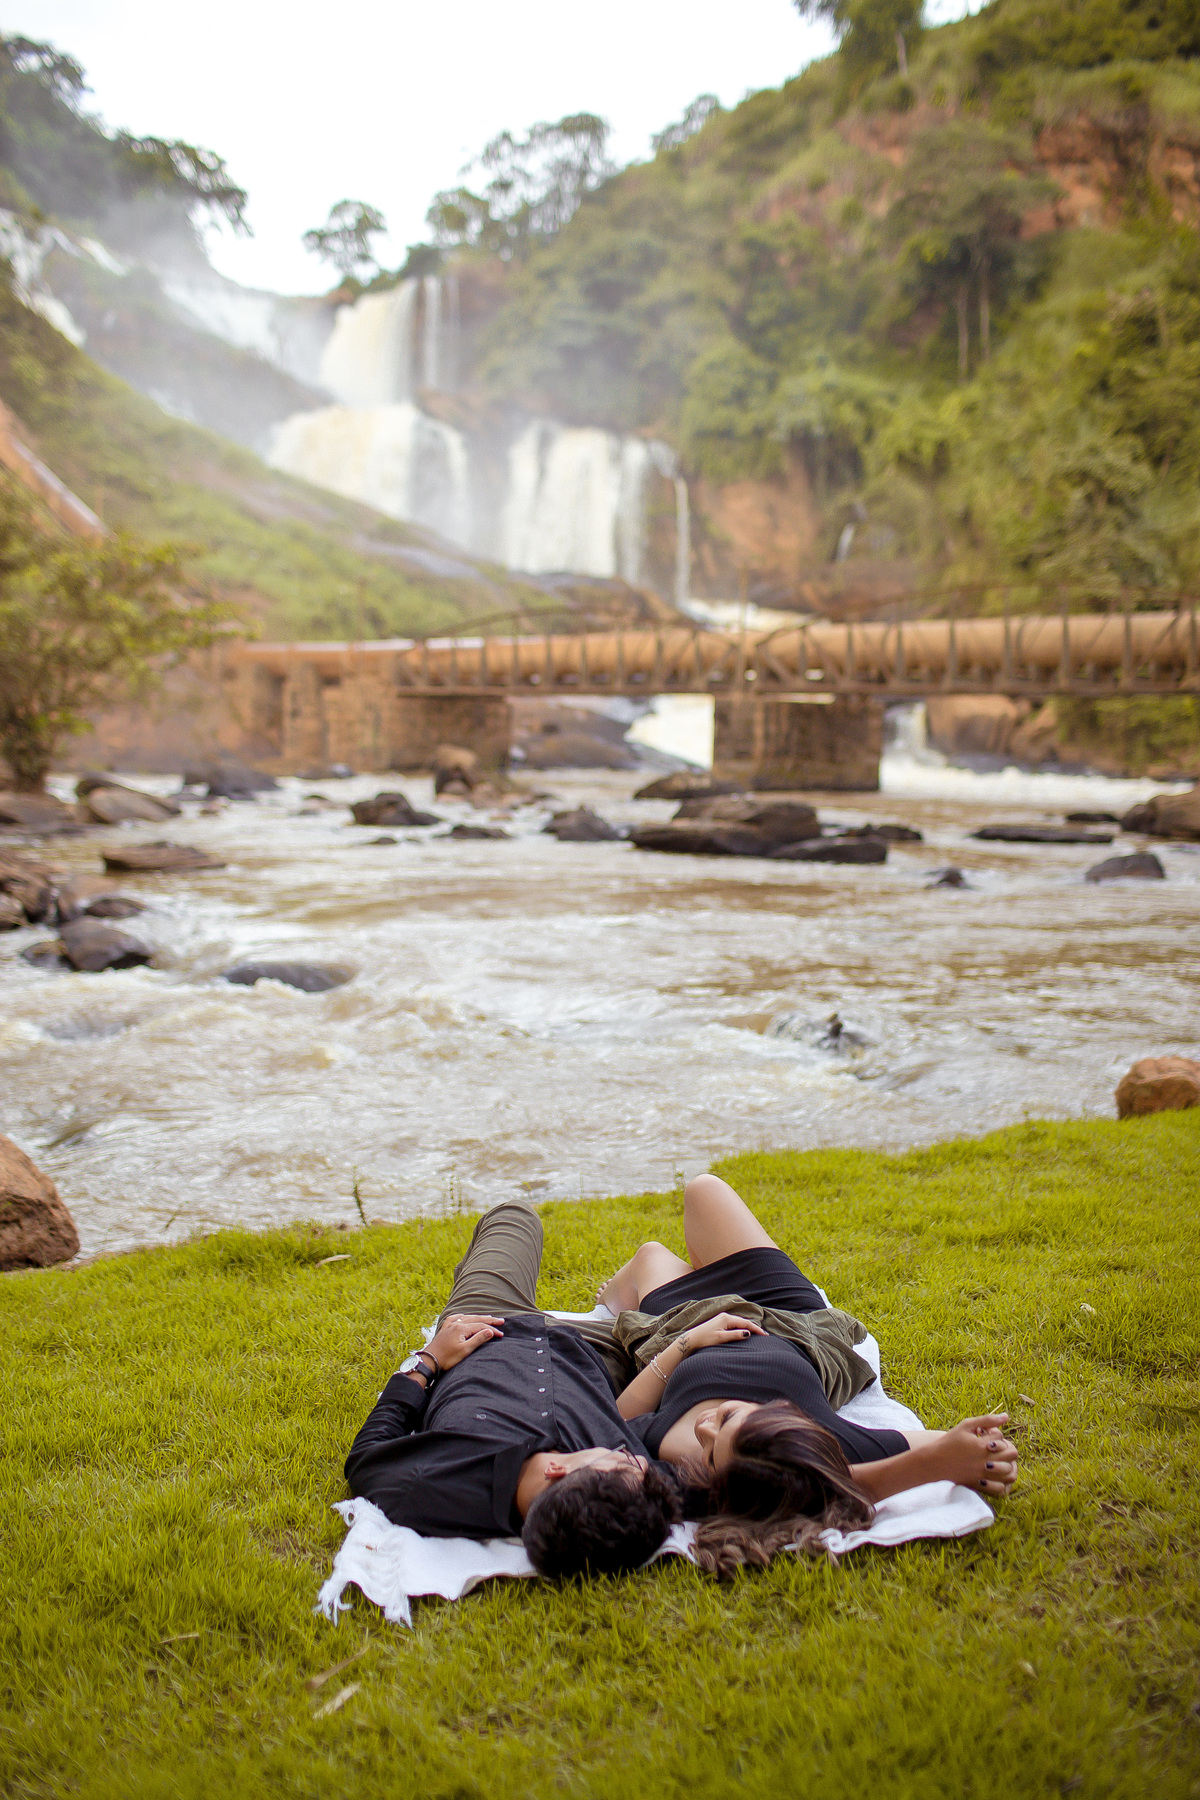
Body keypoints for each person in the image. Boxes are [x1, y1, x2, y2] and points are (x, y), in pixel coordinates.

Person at [596, 1173, 1019, 1574]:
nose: (705, 1429)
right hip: (793, 1318)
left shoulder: (693, 1474)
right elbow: (946, 1453)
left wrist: (686, 1345)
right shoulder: (821, 1446)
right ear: (787, 1416)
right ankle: (685, 1274)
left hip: (685, 1321)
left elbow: (615, 1419)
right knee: (703, 1191)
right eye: (727, 1418)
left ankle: (620, 1295)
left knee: (651, 1252)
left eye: (710, 1452)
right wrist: (945, 1461)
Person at [344, 1199, 680, 1579]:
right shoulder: (626, 1497)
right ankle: (616, 1304)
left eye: (619, 1461)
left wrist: (429, 1360)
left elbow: (365, 1457)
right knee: (694, 1294)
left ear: (556, 1469)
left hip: (487, 1325)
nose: (636, 1460)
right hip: (595, 1350)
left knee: (513, 1215)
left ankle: (614, 1301)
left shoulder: (430, 1485)